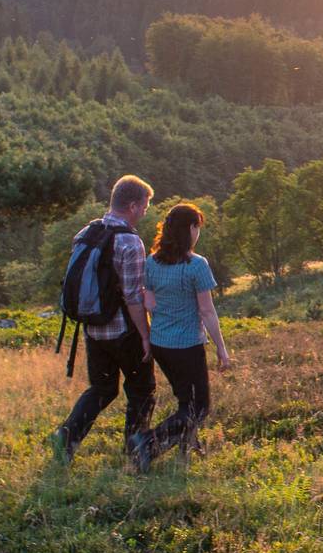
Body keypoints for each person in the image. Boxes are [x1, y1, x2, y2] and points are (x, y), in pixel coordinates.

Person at [53, 175, 156, 463]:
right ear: (132, 206)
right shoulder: (130, 242)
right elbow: (133, 296)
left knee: (102, 388)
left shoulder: (87, 232)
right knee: (141, 389)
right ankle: (136, 452)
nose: (145, 212)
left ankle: (66, 436)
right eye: (144, 206)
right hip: (123, 331)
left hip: (92, 329)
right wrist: (145, 336)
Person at [131, 202, 229, 468]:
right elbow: (207, 311)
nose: (198, 233)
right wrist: (221, 348)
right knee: (199, 407)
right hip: (187, 345)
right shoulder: (196, 265)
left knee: (187, 400)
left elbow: (149, 303)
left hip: (161, 344)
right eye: (198, 227)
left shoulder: (152, 262)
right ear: (191, 229)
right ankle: (146, 443)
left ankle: (186, 450)